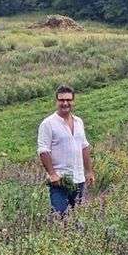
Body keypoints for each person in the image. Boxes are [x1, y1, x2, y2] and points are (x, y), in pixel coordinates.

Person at [37, 85, 95, 213]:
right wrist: (52, 174)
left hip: (79, 179)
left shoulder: (79, 122)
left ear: (73, 101)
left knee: (77, 218)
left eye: (68, 100)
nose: (65, 103)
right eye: (61, 100)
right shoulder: (48, 124)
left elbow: (84, 147)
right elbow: (43, 151)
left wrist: (89, 172)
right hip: (60, 181)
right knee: (60, 217)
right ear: (56, 101)